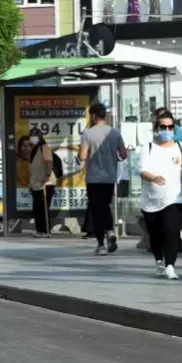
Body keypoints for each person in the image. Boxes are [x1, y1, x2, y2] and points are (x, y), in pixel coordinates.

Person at [140, 111, 182, 279]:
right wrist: (153, 177)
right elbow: (142, 171)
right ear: (156, 128)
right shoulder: (148, 147)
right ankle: (159, 260)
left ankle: (170, 265)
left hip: (176, 198)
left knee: (171, 230)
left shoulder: (181, 147)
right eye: (163, 127)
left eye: (170, 127)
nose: (166, 130)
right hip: (151, 201)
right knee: (156, 234)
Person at [78, 103, 127, 256]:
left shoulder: (88, 133)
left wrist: (80, 156)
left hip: (93, 177)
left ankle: (101, 244)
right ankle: (111, 232)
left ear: (93, 116)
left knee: (96, 210)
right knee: (105, 206)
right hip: (110, 177)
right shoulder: (115, 132)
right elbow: (123, 154)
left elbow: (83, 156)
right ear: (104, 115)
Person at [28, 127, 56, 238]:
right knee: (37, 207)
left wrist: (47, 176)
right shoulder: (35, 148)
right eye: (31, 135)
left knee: (43, 207)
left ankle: (46, 230)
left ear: (39, 136)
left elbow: (48, 162)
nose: (32, 138)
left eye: (34, 135)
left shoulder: (44, 147)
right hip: (36, 182)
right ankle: (40, 230)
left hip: (45, 182)